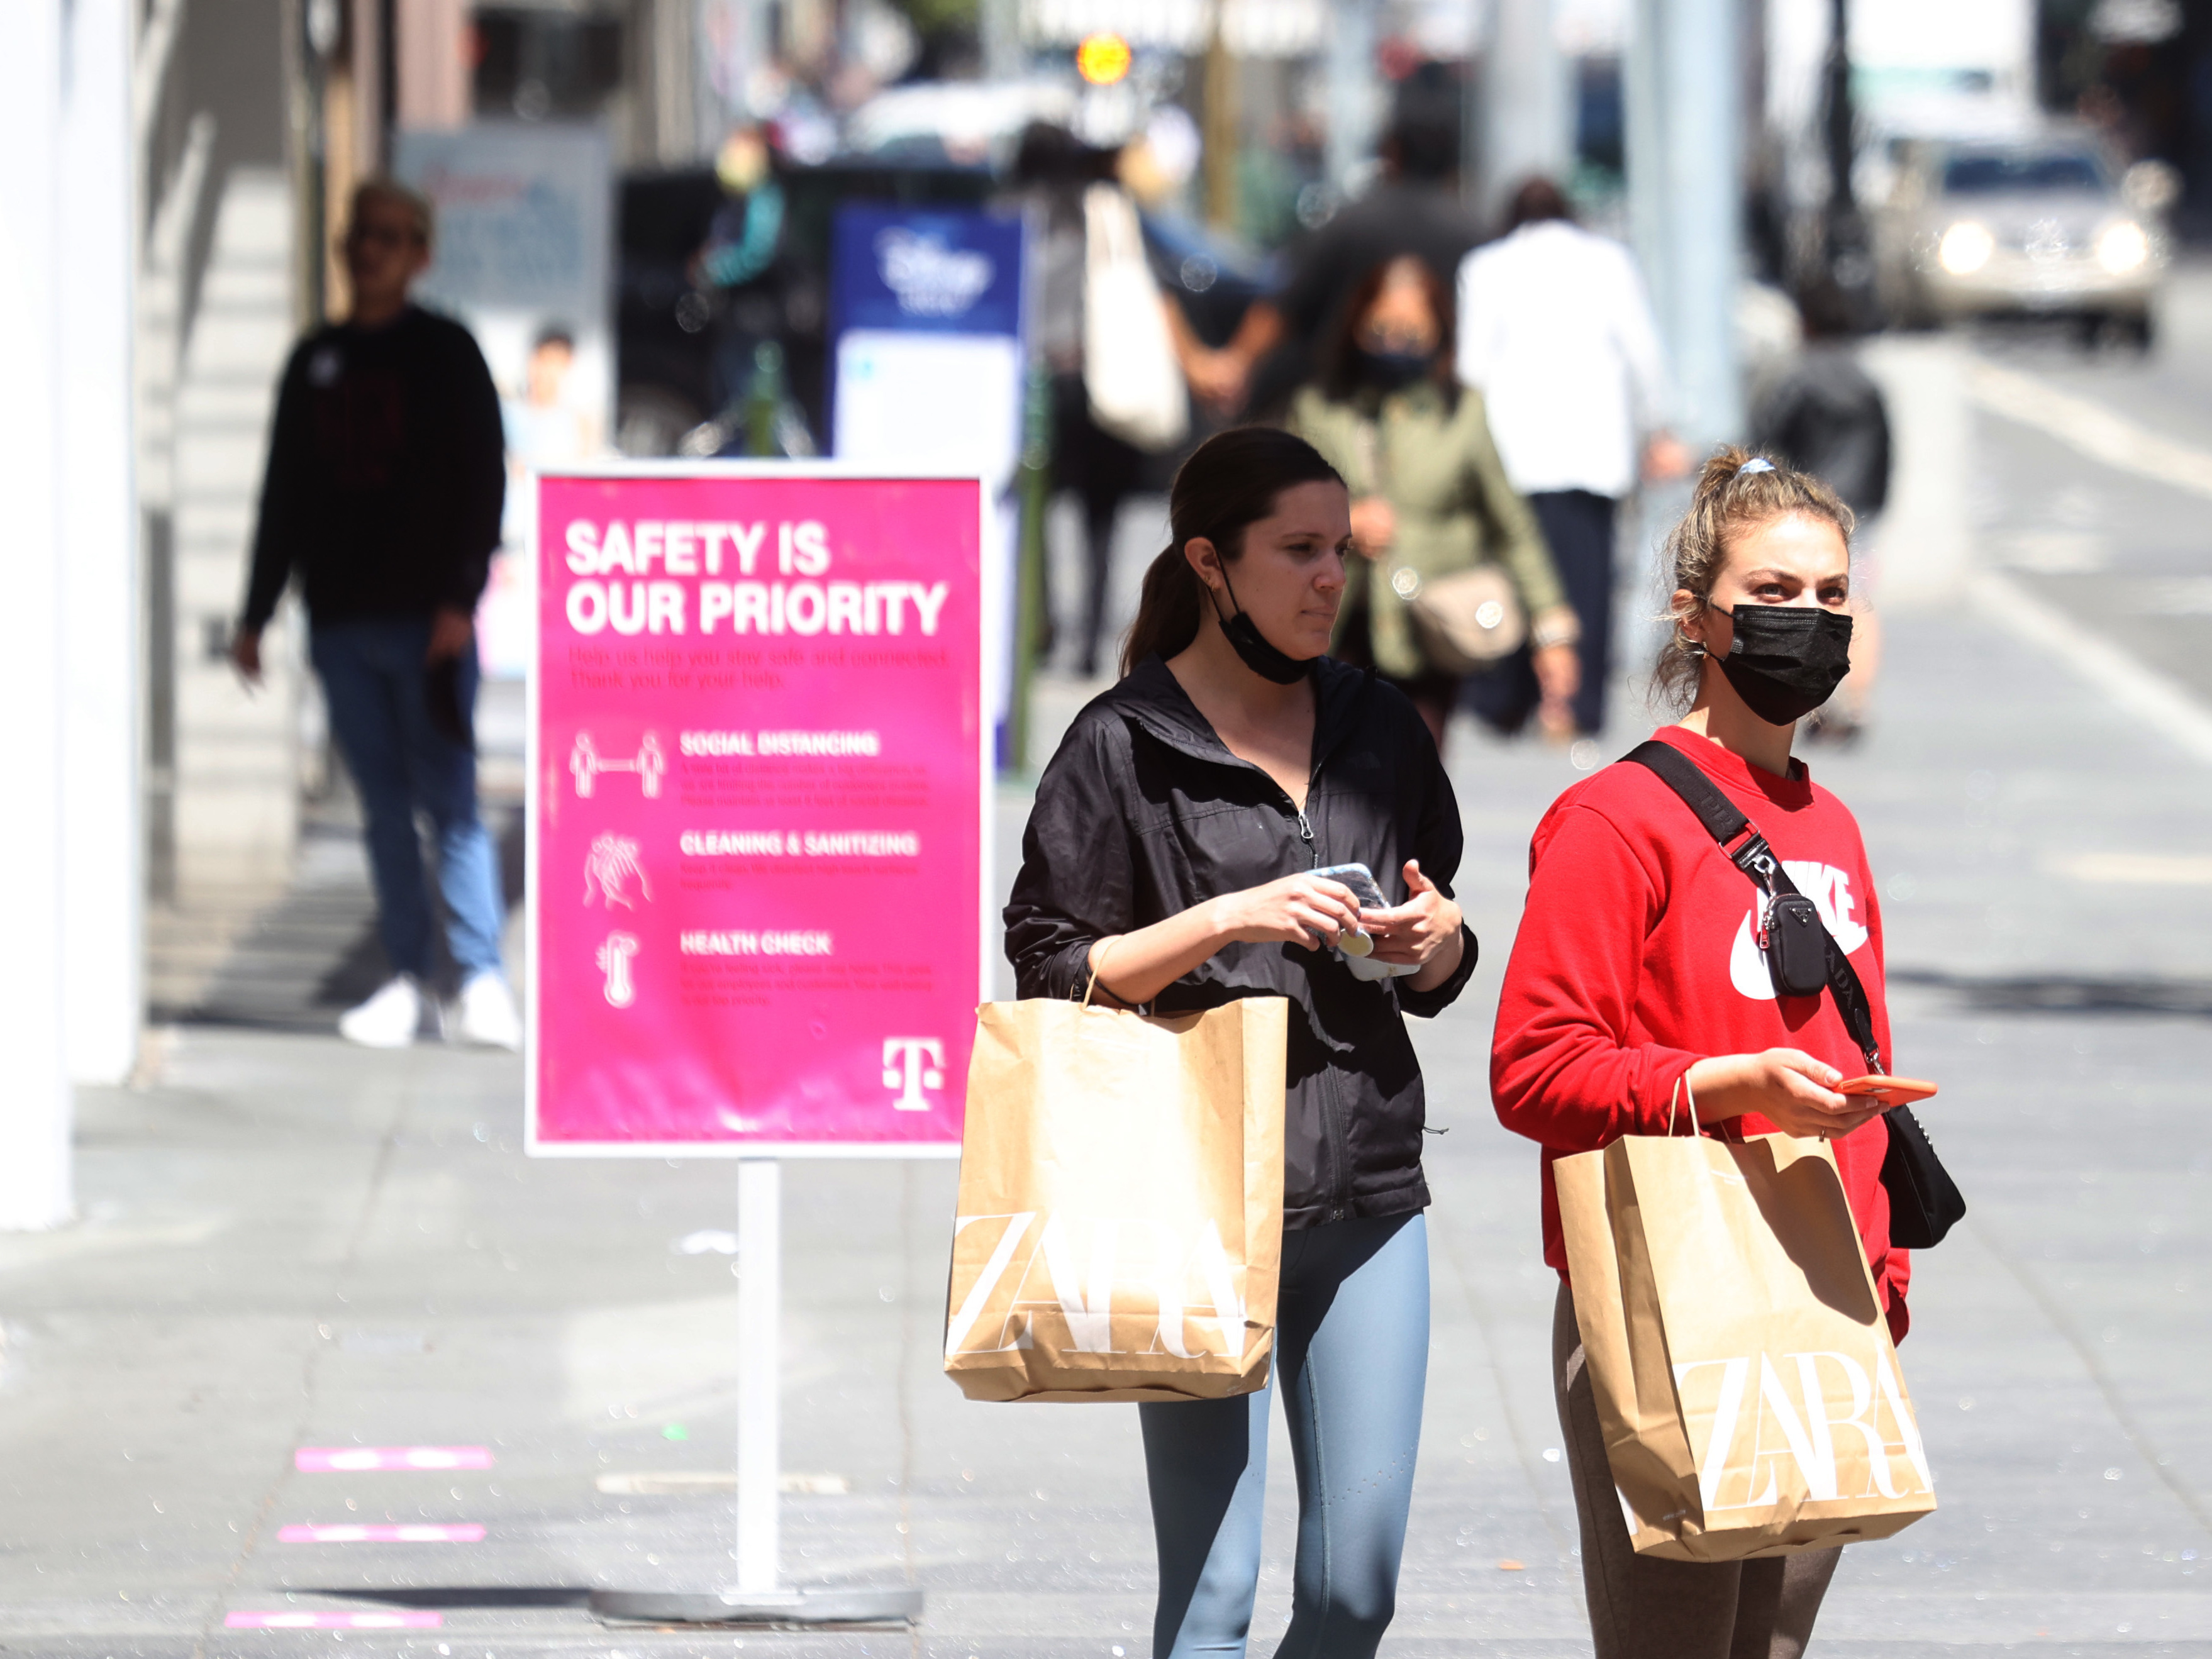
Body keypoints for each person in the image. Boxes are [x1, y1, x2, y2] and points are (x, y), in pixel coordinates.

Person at [1004, 427, 1477, 1657]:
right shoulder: (1120, 742)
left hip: (1370, 1190)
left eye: (1342, 550)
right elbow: (1050, 964)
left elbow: (1435, 955)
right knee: (1212, 1599)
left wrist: (1436, 938)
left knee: (1353, 1590)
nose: (1332, 578)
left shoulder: (1379, 725)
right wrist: (1231, 914)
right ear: (1211, 565)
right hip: (1196, 1198)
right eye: (1299, 551)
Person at [1490, 450, 1909, 1657]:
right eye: (1774, 590)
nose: (1810, 621)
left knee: (1768, 1645)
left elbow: (1854, 1060)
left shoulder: (1829, 820)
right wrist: (1727, 1084)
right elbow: (1535, 1066)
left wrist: (1881, 1287)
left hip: (1822, 1290)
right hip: (1666, 1290)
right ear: (1695, 616)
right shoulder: (1615, 819)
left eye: (1833, 596)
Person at [233, 178, 518, 1051]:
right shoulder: (314, 361)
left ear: (420, 254)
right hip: (342, 621)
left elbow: (484, 480)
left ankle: (480, 980)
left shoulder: (447, 352)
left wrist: (461, 599)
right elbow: (283, 491)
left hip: (428, 621)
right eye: (362, 236)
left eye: (391, 237)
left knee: (453, 802)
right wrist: (256, 611)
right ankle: (406, 978)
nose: (372, 250)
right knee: (383, 808)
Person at [1288, 254, 1580, 752]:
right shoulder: (1319, 407)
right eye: (1381, 329)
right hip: (1337, 628)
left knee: (1414, 790)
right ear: (1355, 326)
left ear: (1440, 334)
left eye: (1412, 332)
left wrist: (1552, 633)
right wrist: (1340, 523)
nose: (1394, 344)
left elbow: (1512, 527)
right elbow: (1275, 508)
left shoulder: (1463, 414)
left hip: (1429, 631)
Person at [1456, 177, 1692, 737]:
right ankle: (1576, 705)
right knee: (1585, 583)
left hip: (1512, 450)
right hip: (1593, 448)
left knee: (1514, 576)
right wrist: (1658, 427)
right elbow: (1642, 350)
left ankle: (1505, 701)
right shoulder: (1609, 262)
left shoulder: (1486, 266)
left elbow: (1470, 366)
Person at [1197, 64, 1482, 420]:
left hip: (1347, 406)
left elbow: (1285, 306)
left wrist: (1237, 362)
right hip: (1441, 411)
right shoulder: (1475, 234)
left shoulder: (1350, 223)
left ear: (1391, 151)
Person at [1749, 279, 1892, 740]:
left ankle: (1816, 706)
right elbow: (1886, 450)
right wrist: (1876, 500)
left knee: (1809, 605)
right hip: (1860, 510)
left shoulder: (1795, 377)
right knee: (1858, 603)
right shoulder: (1867, 380)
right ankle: (1859, 705)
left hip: (1807, 509)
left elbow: (1767, 442)